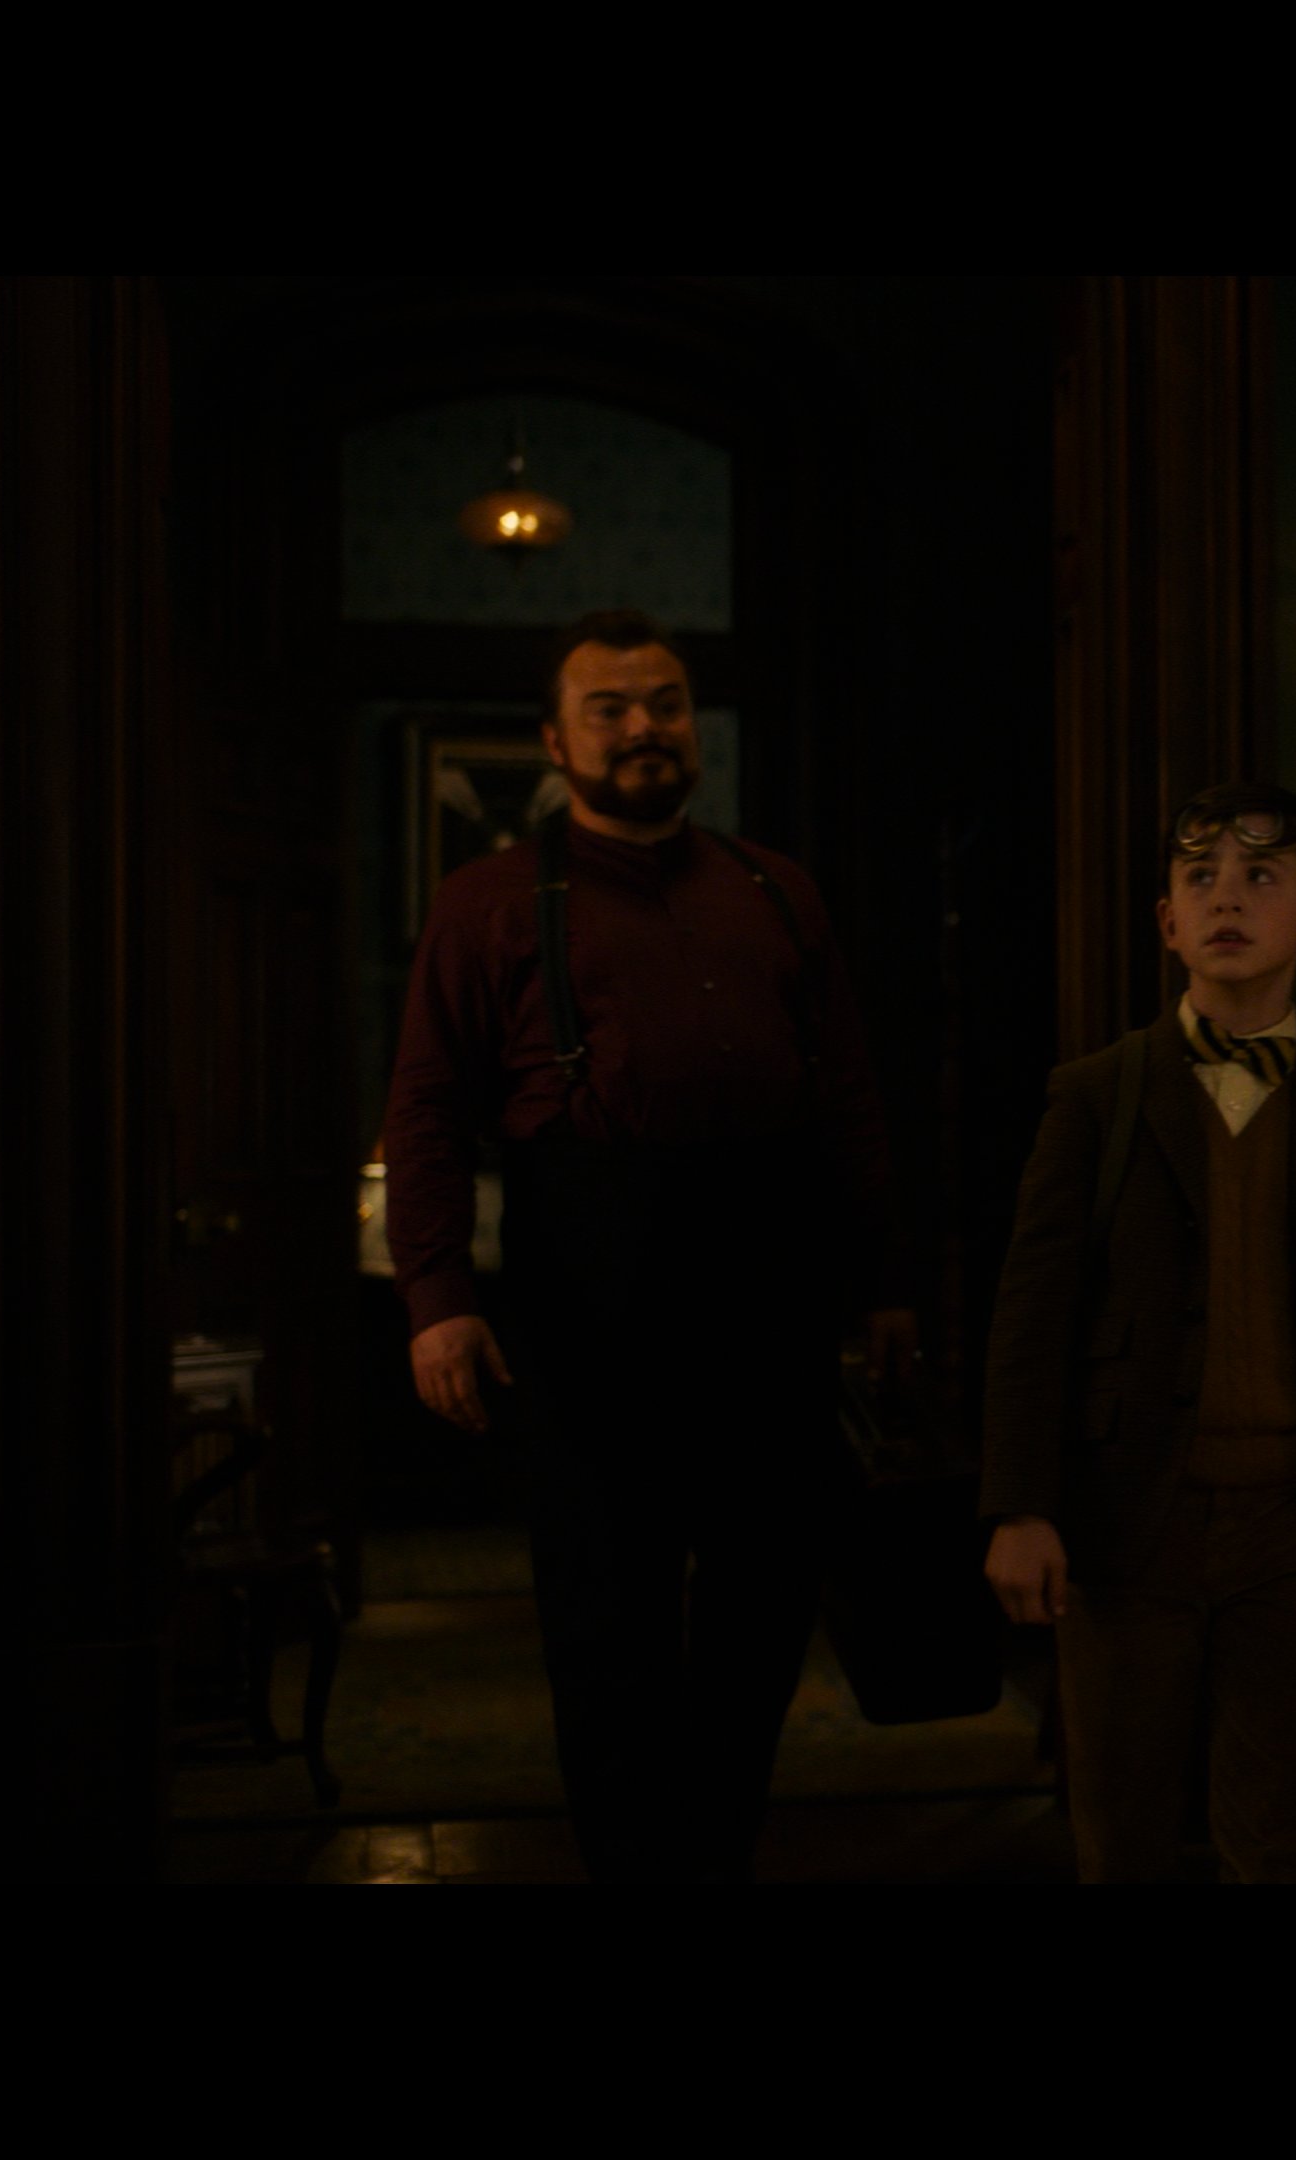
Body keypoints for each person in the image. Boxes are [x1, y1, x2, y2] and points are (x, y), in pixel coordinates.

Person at [380, 608, 913, 1884]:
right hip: (589, 1298)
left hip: (771, 1294)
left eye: (664, 704)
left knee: (763, 1614)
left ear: (693, 725)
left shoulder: (776, 888)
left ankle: (711, 1857)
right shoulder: (486, 902)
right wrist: (437, 1297)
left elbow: (848, 1099)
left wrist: (883, 1283)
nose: (642, 728)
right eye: (609, 709)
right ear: (555, 742)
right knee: (605, 1624)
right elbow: (428, 1111)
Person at [980, 781, 1296, 1883]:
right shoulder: (1098, 1096)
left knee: (1287, 1836)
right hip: (1129, 1517)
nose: (1228, 899)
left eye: (1261, 876)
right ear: (1168, 923)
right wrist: (1020, 1503)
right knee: (1121, 1832)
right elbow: (1032, 1317)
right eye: (1200, 878)